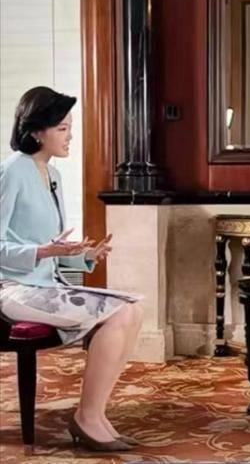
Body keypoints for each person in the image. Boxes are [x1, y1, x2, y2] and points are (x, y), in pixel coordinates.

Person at [0, 86, 143, 452]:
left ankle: (94, 413)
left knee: (132, 310)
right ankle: (87, 418)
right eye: (62, 128)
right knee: (118, 313)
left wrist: (85, 256)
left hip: (46, 285)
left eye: (70, 127)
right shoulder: (12, 171)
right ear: (36, 131)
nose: (70, 136)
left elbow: (54, 250)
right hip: (13, 288)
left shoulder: (53, 175)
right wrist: (41, 251)